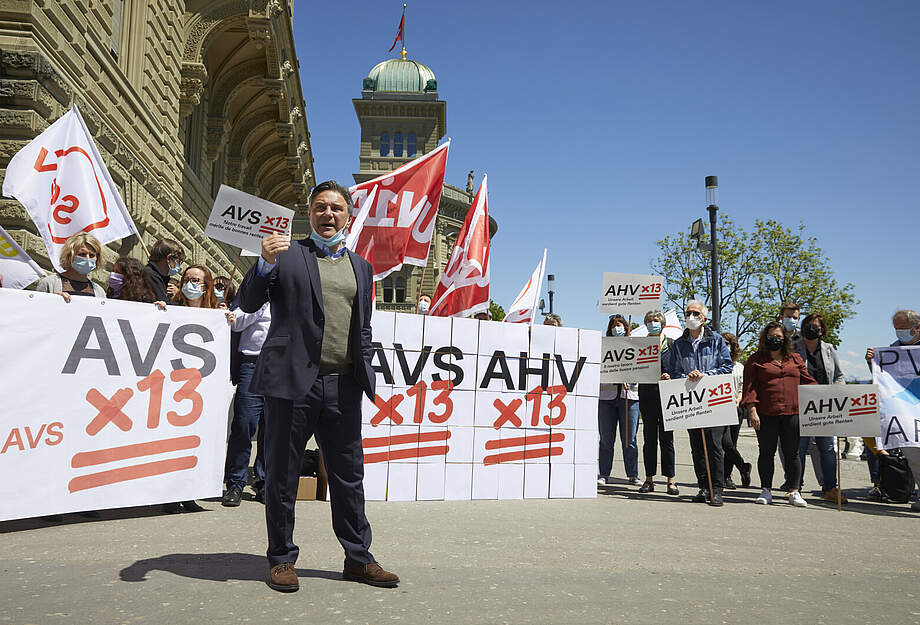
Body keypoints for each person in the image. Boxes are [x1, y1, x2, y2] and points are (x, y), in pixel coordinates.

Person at [237, 180, 398, 592]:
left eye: (336, 209)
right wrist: (264, 264)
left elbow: (362, 326)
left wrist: (365, 369)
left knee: (348, 476)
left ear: (348, 215)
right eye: (320, 208)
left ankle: (358, 558)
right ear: (309, 214)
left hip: (343, 385)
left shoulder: (361, 267)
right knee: (282, 475)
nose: (328, 214)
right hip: (293, 384)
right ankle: (281, 559)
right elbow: (250, 301)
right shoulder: (286, 254)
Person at [163, 264, 232, 513]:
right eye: (187, 279)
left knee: (196, 441)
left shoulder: (215, 314)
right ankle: (169, 495)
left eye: (197, 281)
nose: (191, 284)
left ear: (206, 287)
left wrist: (228, 321)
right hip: (174, 385)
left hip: (203, 388)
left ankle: (189, 492)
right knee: (173, 440)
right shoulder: (171, 309)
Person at [662, 300, 733, 506]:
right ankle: (703, 486)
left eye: (695, 313)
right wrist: (685, 376)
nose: (690, 317)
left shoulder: (716, 340)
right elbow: (675, 371)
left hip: (713, 400)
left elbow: (726, 366)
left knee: (714, 446)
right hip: (691, 402)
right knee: (697, 447)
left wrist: (704, 375)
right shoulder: (679, 344)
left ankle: (716, 489)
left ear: (704, 318)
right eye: (687, 313)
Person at [741, 321, 817, 507]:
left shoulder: (795, 359)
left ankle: (794, 491)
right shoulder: (755, 360)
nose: (775, 340)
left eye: (779, 337)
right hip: (766, 413)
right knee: (766, 452)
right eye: (771, 337)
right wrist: (752, 411)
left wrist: (830, 395)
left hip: (792, 413)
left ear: (785, 339)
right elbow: (749, 388)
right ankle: (766, 490)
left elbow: (809, 383)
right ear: (765, 338)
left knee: (793, 453)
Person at [865, 309, 920, 508]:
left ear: (917, 327)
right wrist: (872, 362)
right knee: (913, 455)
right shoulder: (893, 350)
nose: (899, 333)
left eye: (903, 329)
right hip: (907, 412)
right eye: (897, 329)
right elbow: (885, 381)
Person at [792, 313, 847, 503]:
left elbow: (840, 376)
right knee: (799, 448)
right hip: (801, 404)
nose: (811, 329)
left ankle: (830, 488)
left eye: (815, 327)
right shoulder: (793, 348)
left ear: (822, 330)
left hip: (825, 406)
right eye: (808, 326)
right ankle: (795, 487)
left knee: (828, 448)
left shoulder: (829, 349)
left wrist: (837, 390)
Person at [222, 300, 270, 507]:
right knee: (244, 424)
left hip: (282, 366)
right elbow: (237, 323)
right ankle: (235, 483)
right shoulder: (255, 297)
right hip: (252, 364)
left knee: (273, 429)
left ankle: (264, 482)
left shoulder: (296, 295)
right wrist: (262, 303)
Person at [637, 310, 679, 495]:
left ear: (662, 323)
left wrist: (671, 375)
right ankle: (648, 479)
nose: (652, 323)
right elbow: (631, 368)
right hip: (647, 394)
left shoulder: (671, 344)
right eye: (649, 321)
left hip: (667, 395)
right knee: (649, 438)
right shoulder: (639, 345)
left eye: (655, 320)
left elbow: (679, 368)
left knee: (667, 439)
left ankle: (671, 480)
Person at [597, 315, 640, 486]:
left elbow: (643, 369)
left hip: (629, 398)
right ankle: (604, 474)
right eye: (614, 325)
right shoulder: (602, 347)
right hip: (606, 399)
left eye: (620, 324)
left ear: (626, 327)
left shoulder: (635, 346)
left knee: (630, 440)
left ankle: (633, 474)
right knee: (606, 439)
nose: (617, 328)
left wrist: (628, 378)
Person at [720, 333, 752, 490]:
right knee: (725, 443)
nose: (725, 345)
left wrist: (737, 401)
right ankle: (743, 466)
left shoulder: (739, 368)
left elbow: (741, 389)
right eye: (722, 343)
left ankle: (727, 476)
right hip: (718, 409)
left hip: (735, 408)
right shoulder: (716, 365)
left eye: (728, 343)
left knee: (731, 443)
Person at [35, 232, 106, 300]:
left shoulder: (99, 292)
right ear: (70, 256)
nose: (87, 258)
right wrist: (53, 300)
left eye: (91, 255)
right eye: (82, 254)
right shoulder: (49, 283)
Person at [143, 239, 184, 303]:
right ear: (169, 258)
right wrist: (178, 297)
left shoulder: (157, 276)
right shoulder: (151, 276)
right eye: (179, 261)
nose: (178, 265)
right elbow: (163, 308)